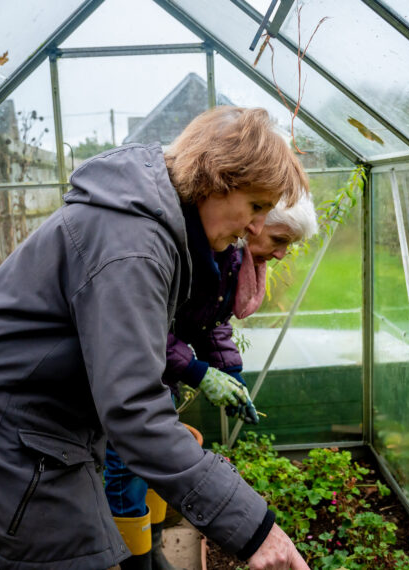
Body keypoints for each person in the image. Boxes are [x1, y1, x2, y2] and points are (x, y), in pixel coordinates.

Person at [0, 106, 311, 570]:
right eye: (256, 206)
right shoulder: (133, 245)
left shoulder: (154, 226)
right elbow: (134, 409)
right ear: (217, 179)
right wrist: (255, 530)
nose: (256, 229)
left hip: (16, 413)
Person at [104, 194, 319, 569]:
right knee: (125, 470)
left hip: (160, 380)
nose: (283, 254)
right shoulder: (194, 252)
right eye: (279, 240)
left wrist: (230, 374)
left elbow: (210, 322)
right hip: (129, 380)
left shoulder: (233, 262)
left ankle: (152, 548)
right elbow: (148, 331)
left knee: (150, 471)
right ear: (254, 223)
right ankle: (136, 562)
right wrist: (201, 372)